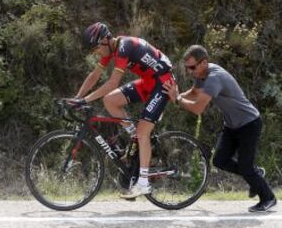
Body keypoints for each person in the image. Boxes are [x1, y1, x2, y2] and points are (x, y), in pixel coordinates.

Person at [66, 22, 175, 198]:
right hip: (148, 82)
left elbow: (112, 83)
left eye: (96, 49)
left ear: (105, 40)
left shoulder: (124, 47)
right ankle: (134, 135)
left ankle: (143, 183)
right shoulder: (112, 49)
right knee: (110, 100)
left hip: (163, 83)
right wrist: (77, 98)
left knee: (143, 132)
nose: (97, 53)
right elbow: (95, 75)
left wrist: (85, 100)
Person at [163, 44, 277, 212]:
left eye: (192, 67)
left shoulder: (214, 78)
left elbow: (197, 108)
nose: (189, 72)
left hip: (249, 124)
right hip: (231, 125)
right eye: (187, 68)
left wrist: (177, 99)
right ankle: (255, 175)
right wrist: (173, 96)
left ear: (204, 62)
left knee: (246, 167)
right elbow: (194, 92)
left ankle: (268, 198)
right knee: (220, 160)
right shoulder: (202, 74)